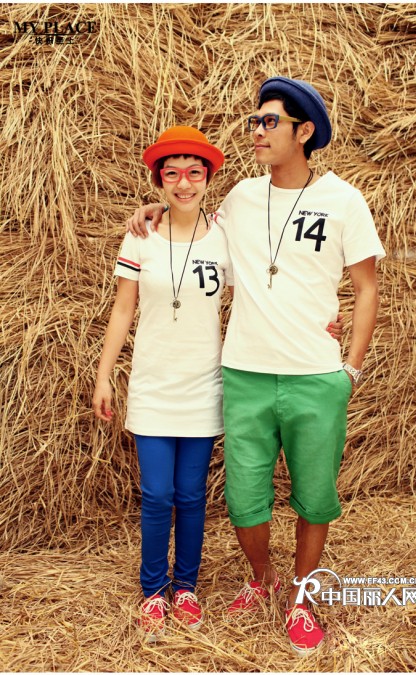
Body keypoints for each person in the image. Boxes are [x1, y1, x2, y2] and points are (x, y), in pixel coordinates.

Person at [127, 77, 372, 654]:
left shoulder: (344, 200)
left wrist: (350, 370)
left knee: (314, 497)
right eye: (254, 122)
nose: (257, 131)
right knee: (243, 498)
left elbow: (367, 287)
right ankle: (262, 579)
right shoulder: (239, 197)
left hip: (316, 376)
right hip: (243, 374)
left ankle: (301, 600)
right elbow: (189, 223)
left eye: (269, 122)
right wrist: (152, 211)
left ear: (304, 132)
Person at [93, 126, 234, 639]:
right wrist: (104, 375)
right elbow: (122, 309)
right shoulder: (141, 235)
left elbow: (261, 294)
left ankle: (187, 588)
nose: (184, 183)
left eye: (194, 173)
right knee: (156, 494)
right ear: (158, 182)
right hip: (153, 384)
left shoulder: (226, 234)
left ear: (208, 178)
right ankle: (153, 591)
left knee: (191, 495)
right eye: (172, 174)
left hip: (204, 385)